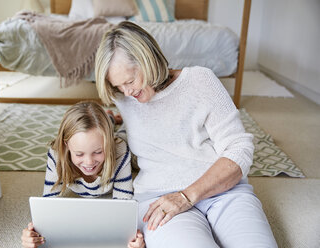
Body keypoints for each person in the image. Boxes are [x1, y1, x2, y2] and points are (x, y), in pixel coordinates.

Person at [95, 21, 277, 248]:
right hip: (158, 200)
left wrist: (186, 196)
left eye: (130, 81)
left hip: (224, 191)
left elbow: (239, 147)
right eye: (119, 86)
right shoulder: (124, 98)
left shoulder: (200, 81)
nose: (127, 92)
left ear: (148, 60)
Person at [20, 101, 145, 248]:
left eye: (98, 152)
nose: (89, 162)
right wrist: (33, 236)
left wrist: (131, 240)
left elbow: (124, 206)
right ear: (67, 145)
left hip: (118, 140)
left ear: (108, 145)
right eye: (79, 154)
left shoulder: (119, 150)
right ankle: (110, 118)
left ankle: (114, 121)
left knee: (126, 133)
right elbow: (49, 206)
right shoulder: (57, 154)